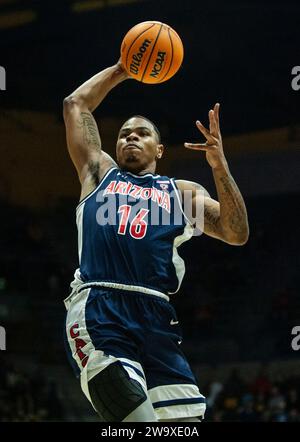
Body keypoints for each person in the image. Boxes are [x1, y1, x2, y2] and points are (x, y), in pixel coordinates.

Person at [62, 60, 249, 422]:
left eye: (142, 133)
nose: (130, 136)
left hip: (157, 321)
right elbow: (75, 105)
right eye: (124, 133)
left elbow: (235, 232)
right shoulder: (98, 173)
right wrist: (123, 68)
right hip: (101, 310)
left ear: (159, 151)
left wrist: (219, 166)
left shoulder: (181, 194)